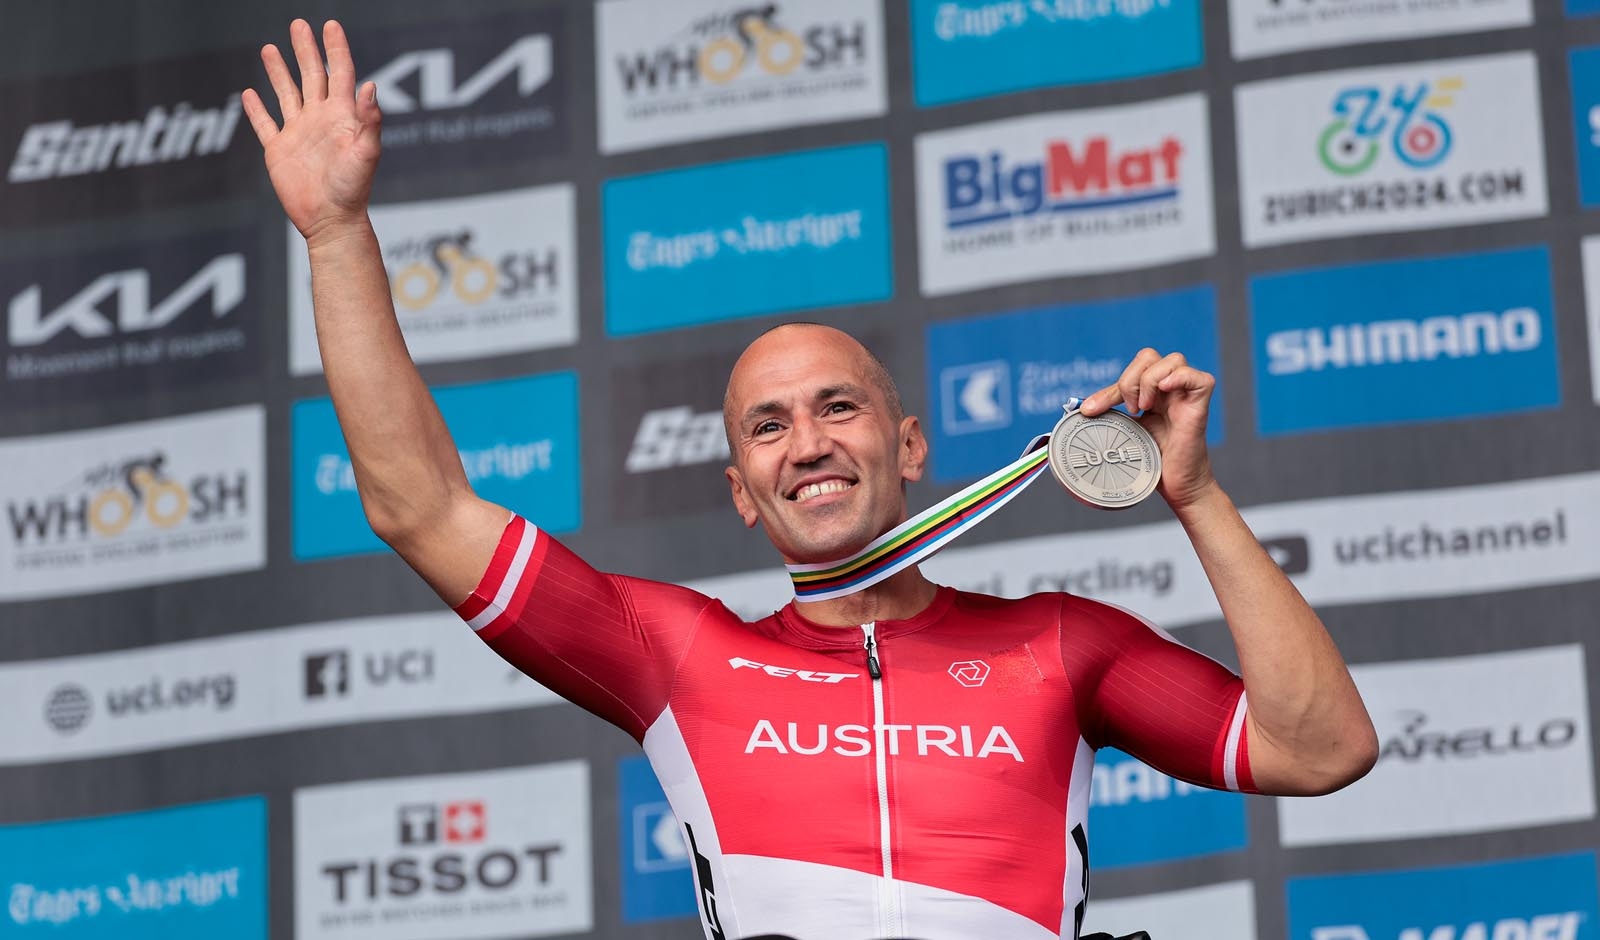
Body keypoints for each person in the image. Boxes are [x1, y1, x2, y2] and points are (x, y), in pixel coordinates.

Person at [243, 20, 1378, 940]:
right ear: (744, 490)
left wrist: (1196, 496)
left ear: (910, 445)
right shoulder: (675, 654)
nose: (810, 442)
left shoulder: (1062, 645)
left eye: (839, 406)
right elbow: (418, 503)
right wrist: (337, 233)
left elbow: (1321, 750)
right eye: (768, 426)